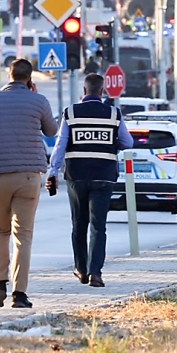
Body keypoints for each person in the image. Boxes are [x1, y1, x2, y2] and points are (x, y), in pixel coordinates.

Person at [0, 56, 58, 309]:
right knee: (23, 236)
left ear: (9, 75)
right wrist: (35, 99)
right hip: (29, 175)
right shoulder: (39, 101)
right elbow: (52, 131)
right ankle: (20, 294)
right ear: (29, 79)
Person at [49, 69, 126, 287]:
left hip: (77, 176)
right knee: (98, 226)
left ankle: (81, 269)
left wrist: (53, 171)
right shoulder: (114, 114)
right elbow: (128, 142)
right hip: (104, 176)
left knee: (79, 223)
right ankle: (96, 273)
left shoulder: (71, 113)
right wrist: (112, 143)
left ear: (84, 90)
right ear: (102, 91)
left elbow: (60, 145)